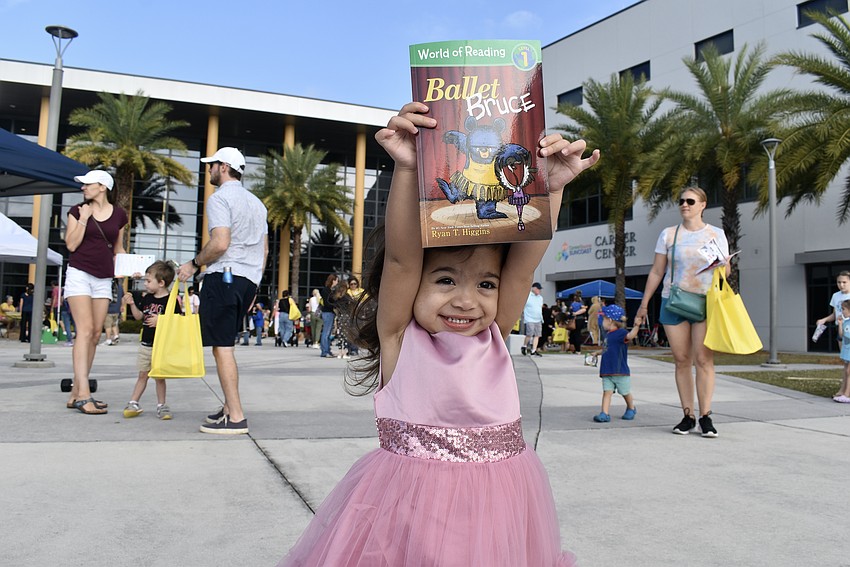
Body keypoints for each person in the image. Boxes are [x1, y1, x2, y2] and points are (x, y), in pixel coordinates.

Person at [278, 102, 599, 566]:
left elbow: (525, 259)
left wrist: (549, 188)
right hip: (408, 519)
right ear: (417, 288)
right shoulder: (399, 336)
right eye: (445, 280)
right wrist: (408, 169)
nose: (466, 300)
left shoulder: (494, 333)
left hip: (495, 519)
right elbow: (402, 259)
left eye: (485, 284)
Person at [177, 147, 268, 435]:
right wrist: (254, 285)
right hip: (246, 280)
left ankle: (236, 415)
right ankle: (229, 407)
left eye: (212, 165)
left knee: (222, 347)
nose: (209, 170)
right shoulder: (257, 204)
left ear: (224, 166)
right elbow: (264, 250)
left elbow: (220, 243)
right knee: (224, 344)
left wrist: (193, 264)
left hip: (224, 276)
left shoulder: (220, 199)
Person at [636, 187, 729, 438]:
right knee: (681, 360)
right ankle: (687, 415)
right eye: (681, 201)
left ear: (702, 205)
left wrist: (723, 262)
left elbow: (726, 272)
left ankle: (705, 416)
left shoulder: (715, 234)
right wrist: (644, 304)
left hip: (704, 301)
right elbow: (657, 271)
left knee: (703, 359)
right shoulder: (669, 234)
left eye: (690, 201)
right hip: (673, 300)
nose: (685, 205)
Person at [64, 170, 129, 415]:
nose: (83, 188)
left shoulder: (120, 214)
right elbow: (71, 244)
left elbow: (118, 248)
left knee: (94, 336)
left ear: (102, 186)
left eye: (87, 184)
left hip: (104, 278)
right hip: (79, 273)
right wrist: (84, 218)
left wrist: (131, 270)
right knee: (85, 331)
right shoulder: (77, 210)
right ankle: (83, 394)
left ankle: (75, 393)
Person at [121, 261, 179, 420]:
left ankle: (162, 405)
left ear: (161, 283)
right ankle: (133, 402)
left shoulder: (171, 300)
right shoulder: (147, 299)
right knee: (142, 375)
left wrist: (161, 320)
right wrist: (132, 304)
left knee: (159, 377)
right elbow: (140, 317)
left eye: (148, 281)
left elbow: (177, 320)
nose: (145, 284)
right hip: (146, 345)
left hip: (161, 346)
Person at [593, 304, 642, 423]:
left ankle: (631, 407)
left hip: (619, 371)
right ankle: (604, 413)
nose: (602, 322)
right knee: (607, 392)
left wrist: (636, 326)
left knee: (624, 392)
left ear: (610, 320)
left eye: (603, 319)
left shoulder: (621, 333)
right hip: (607, 370)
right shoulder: (608, 335)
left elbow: (630, 336)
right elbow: (607, 348)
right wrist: (597, 352)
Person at [814, 271, 850, 344]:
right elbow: (835, 314)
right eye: (839, 282)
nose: (841, 285)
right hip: (840, 328)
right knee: (844, 354)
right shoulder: (835, 296)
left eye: (844, 282)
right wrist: (824, 320)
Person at [318, 274, 339, 358]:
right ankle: (324, 351)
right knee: (326, 333)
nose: (337, 282)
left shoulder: (330, 290)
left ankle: (327, 350)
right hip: (327, 312)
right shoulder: (326, 290)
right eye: (336, 280)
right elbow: (327, 303)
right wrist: (334, 306)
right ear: (333, 280)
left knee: (328, 332)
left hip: (329, 313)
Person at [521, 282, 544, 356]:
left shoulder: (540, 298)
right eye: (538, 289)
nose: (539, 291)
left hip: (538, 319)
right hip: (529, 318)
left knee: (537, 335)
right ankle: (524, 346)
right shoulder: (528, 297)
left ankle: (533, 350)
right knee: (529, 334)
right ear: (533, 288)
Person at [835, 299, 850, 403]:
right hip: (846, 350)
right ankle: (845, 392)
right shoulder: (846, 322)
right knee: (846, 371)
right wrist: (840, 324)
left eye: (844, 309)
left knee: (849, 372)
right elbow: (841, 335)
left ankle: (847, 394)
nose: (842, 311)